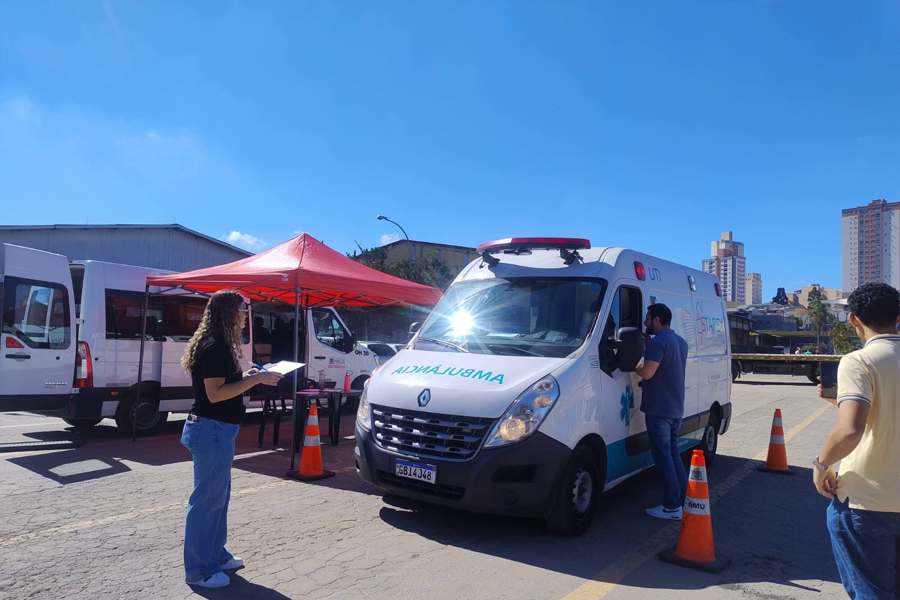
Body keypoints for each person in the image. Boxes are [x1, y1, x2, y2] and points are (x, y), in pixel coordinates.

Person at [179, 290, 282, 588]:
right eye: (242, 310)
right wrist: (256, 379)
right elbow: (215, 394)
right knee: (206, 502)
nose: (245, 316)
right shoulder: (215, 346)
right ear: (228, 313)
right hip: (211, 430)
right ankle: (199, 571)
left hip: (217, 430)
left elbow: (224, 384)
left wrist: (247, 375)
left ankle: (216, 555)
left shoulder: (219, 343)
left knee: (218, 498)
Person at [813, 283, 900, 599]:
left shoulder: (859, 361)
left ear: (854, 320)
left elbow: (850, 430)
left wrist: (821, 465)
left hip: (868, 502)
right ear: (898, 317)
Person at [634, 303, 690, 520]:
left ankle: (671, 506)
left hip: (659, 408)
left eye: (648, 318)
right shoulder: (680, 342)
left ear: (657, 319)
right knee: (673, 455)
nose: (645, 322)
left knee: (663, 457)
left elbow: (648, 373)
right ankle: (683, 500)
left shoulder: (658, 342)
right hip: (675, 408)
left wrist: (634, 364)